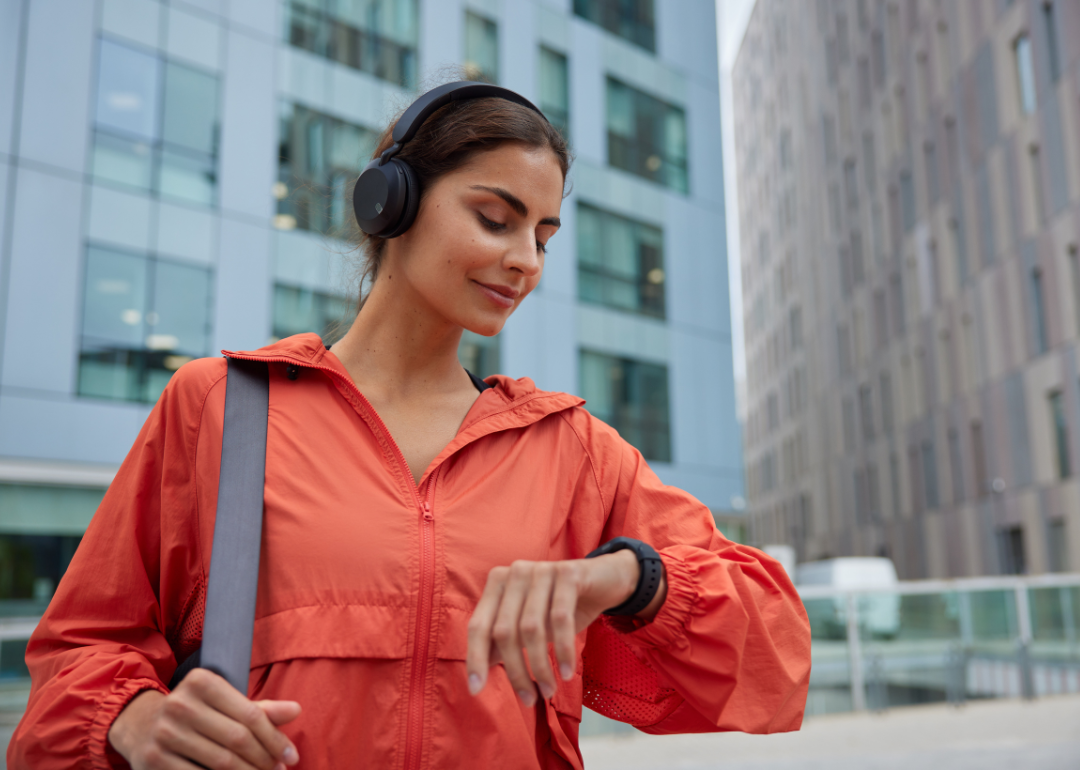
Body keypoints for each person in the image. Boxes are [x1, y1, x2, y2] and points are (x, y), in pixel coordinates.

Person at [8, 82, 810, 770]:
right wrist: (133, 721)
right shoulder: (221, 406)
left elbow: (775, 650)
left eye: (542, 235)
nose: (527, 260)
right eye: (495, 219)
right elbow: (78, 648)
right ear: (390, 201)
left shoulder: (569, 448)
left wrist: (628, 577)